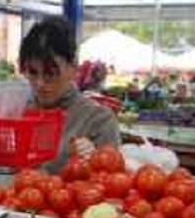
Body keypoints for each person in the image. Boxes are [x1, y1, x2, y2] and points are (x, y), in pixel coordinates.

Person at [18, 16, 120, 173]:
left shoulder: (98, 120)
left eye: (50, 73)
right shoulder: (17, 111)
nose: (40, 83)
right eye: (32, 72)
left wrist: (95, 161)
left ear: (73, 67)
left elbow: (111, 184)